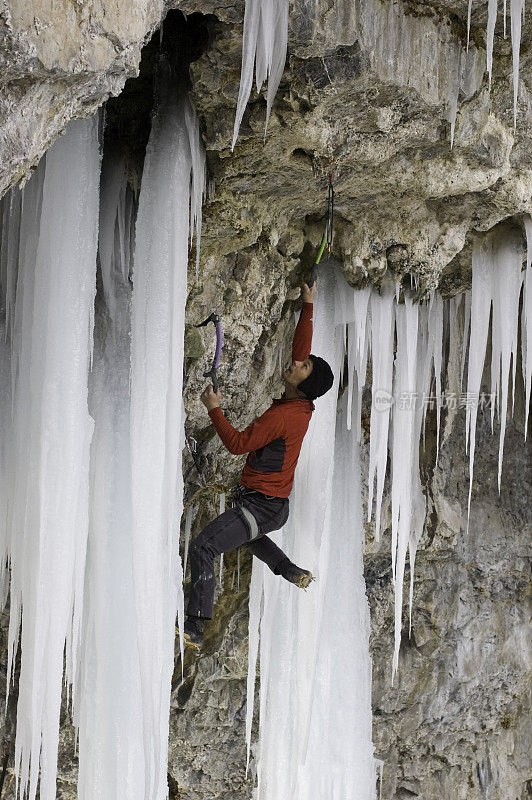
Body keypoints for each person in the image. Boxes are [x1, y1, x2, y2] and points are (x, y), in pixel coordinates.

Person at [183, 282, 334, 649]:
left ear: (304, 382)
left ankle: (195, 626)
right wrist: (308, 304)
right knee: (247, 537)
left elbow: (236, 445)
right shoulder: (299, 402)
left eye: (304, 366)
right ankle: (290, 570)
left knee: (204, 546)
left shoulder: (285, 419)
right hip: (270, 506)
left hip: (262, 506)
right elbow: (300, 352)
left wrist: (214, 409)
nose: (296, 361)